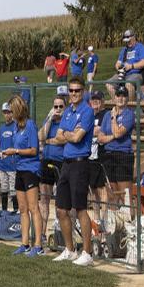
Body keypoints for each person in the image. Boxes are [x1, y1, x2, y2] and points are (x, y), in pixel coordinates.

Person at [50, 79, 95, 266]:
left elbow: (76, 137)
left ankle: (87, 252)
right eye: (71, 90)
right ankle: (70, 249)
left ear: (83, 91)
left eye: (77, 90)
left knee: (81, 209)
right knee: (61, 209)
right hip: (66, 163)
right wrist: (70, 135)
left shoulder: (87, 111)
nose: (74, 93)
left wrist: (68, 135)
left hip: (80, 163)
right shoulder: (67, 111)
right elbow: (59, 137)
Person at [5, 95, 45, 255]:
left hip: (31, 170)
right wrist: (7, 153)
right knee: (22, 208)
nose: (9, 113)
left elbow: (34, 150)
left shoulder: (30, 125)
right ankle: (24, 243)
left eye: (11, 110)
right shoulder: (16, 127)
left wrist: (15, 151)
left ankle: (38, 245)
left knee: (33, 207)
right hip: (20, 169)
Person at [96, 88, 139, 217]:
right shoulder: (107, 115)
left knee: (124, 195)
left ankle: (131, 226)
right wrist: (113, 137)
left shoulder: (129, 114)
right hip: (109, 155)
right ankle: (115, 227)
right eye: (118, 95)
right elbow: (100, 138)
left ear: (127, 98)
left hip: (123, 155)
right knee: (111, 194)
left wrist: (114, 118)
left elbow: (118, 133)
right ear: (114, 98)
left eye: (123, 96)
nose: (120, 98)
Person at [37, 95, 65, 250]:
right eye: (56, 107)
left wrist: (49, 140)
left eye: (61, 107)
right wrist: (49, 118)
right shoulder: (49, 122)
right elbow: (40, 136)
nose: (58, 110)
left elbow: (62, 140)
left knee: (61, 200)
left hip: (60, 162)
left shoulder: (66, 121)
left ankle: (60, 232)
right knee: (44, 199)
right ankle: (42, 233)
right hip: (46, 160)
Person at [110, 29, 144, 103]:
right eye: (126, 41)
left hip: (137, 73)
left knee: (128, 83)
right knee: (108, 84)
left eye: (129, 40)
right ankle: (119, 104)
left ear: (134, 37)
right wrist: (119, 68)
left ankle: (131, 108)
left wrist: (131, 66)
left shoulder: (141, 47)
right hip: (124, 74)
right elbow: (118, 63)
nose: (128, 42)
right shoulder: (124, 50)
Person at [0, 102, 17, 212]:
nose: (7, 115)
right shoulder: (1, 128)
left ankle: (15, 210)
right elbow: (0, 144)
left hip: (12, 163)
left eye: (9, 112)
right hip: (3, 163)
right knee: (4, 188)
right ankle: (4, 212)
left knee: (13, 190)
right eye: (5, 113)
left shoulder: (16, 126)